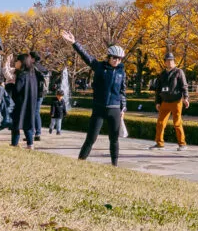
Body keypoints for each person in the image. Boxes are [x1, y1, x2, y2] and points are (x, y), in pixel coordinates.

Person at [59, 29, 127, 166]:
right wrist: (74, 43)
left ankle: (115, 165)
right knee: (91, 138)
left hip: (114, 108)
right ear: (109, 57)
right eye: (114, 58)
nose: (117, 61)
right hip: (99, 108)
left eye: (119, 59)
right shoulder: (100, 67)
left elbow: (122, 91)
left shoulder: (122, 72)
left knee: (114, 139)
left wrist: (123, 108)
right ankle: (80, 162)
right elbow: (86, 56)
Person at [150, 52, 189, 151]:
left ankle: (182, 144)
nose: (169, 62)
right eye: (167, 60)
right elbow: (158, 89)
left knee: (177, 123)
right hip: (165, 101)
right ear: (165, 62)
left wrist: (186, 98)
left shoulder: (179, 72)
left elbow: (184, 86)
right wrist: (157, 102)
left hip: (176, 101)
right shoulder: (162, 74)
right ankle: (159, 144)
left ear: (174, 61)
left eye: (171, 60)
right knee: (160, 123)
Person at [9, 53, 42, 149]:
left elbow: (17, 89)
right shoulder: (32, 74)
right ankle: (30, 144)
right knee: (27, 124)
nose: (16, 62)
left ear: (22, 62)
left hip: (20, 104)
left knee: (16, 124)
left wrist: (9, 86)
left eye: (17, 61)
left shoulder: (21, 75)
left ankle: (14, 144)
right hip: (30, 104)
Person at [30, 51, 49, 142]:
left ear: (33, 58)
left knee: (34, 112)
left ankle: (34, 133)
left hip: (35, 92)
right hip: (42, 92)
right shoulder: (42, 67)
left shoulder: (32, 67)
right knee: (36, 112)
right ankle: (36, 133)